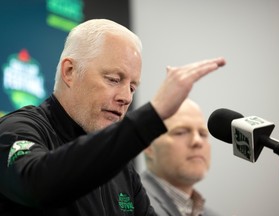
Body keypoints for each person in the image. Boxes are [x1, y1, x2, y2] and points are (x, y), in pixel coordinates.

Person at [0, 18, 226, 215]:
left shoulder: (122, 170)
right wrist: (153, 114)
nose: (126, 98)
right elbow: (39, 185)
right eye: (114, 79)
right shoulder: (17, 128)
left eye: (133, 87)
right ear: (69, 72)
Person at [141, 99, 220, 216]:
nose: (197, 141)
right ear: (148, 145)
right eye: (181, 132)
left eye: (203, 133)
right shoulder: (132, 205)